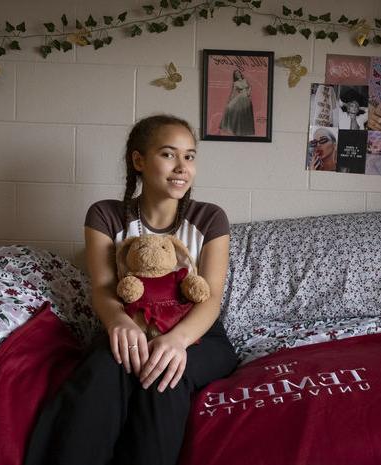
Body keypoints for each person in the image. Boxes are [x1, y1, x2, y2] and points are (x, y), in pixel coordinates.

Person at [24, 114, 238, 465]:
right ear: (139, 160)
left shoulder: (210, 218)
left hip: (197, 333)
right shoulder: (106, 215)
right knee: (103, 372)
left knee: (166, 375)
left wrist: (177, 341)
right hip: (129, 325)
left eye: (190, 156)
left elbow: (211, 298)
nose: (182, 166)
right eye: (169, 154)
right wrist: (118, 323)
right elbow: (105, 288)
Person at [219, 69, 255, 136]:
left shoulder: (245, 80)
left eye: (238, 73)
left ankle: (245, 131)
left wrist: (248, 93)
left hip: (247, 98)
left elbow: (250, 87)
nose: (238, 74)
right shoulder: (235, 83)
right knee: (229, 107)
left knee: (245, 114)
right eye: (236, 74)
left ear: (240, 73)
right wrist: (229, 100)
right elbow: (233, 92)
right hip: (240, 97)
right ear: (235, 76)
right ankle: (234, 128)